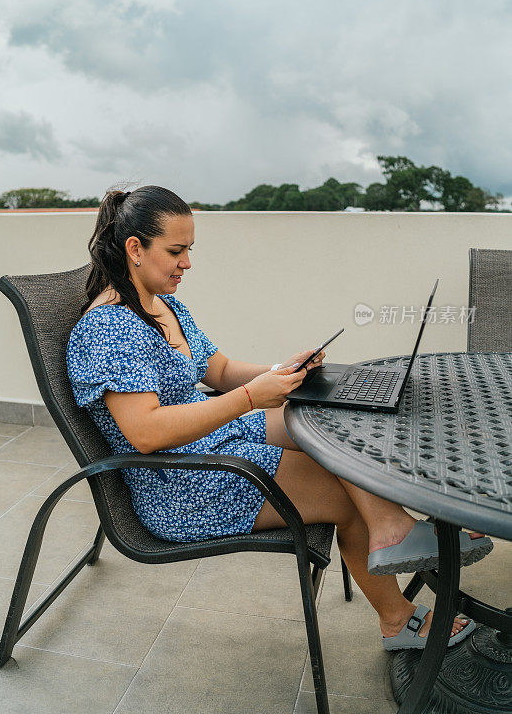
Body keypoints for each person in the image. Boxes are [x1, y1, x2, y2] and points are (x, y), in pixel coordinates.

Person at [66, 185, 492, 651]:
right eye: (176, 251)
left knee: (331, 421)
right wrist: (252, 397)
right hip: (178, 482)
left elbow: (221, 370)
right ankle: (397, 616)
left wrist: (280, 373)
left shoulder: (160, 304)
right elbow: (145, 434)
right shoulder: (106, 327)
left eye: (189, 249)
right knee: (341, 490)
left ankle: (396, 528)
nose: (187, 262)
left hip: (211, 443)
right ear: (135, 248)